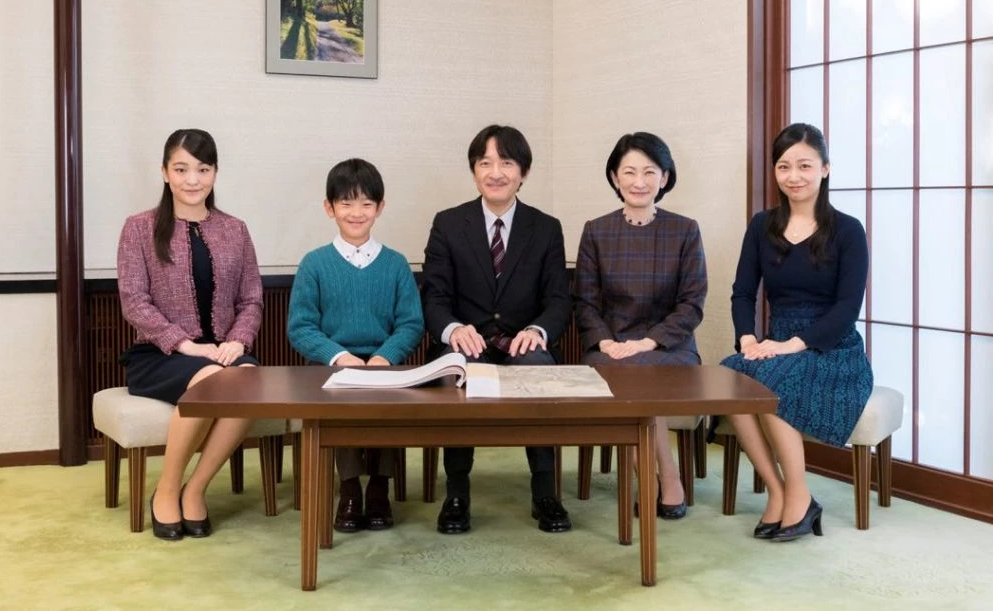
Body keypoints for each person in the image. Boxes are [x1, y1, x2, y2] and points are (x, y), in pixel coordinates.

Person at [721, 122, 873, 542]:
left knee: (771, 381)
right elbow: (742, 292)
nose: (794, 176)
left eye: (805, 165)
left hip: (832, 348)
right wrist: (747, 339)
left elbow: (847, 309)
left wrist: (792, 345)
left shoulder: (848, 230)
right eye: (784, 166)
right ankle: (778, 490)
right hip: (775, 343)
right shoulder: (761, 225)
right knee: (730, 376)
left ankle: (800, 496)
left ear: (825, 168)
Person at [421, 124, 573, 534]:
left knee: (539, 369)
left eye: (506, 163)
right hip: (468, 343)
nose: (495, 173)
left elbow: (558, 299)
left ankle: (545, 492)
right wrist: (453, 329)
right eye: (485, 163)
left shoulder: (546, 228)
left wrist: (538, 331)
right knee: (456, 369)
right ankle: (456, 494)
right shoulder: (448, 223)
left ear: (524, 172)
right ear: (474, 171)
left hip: (522, 342)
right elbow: (434, 297)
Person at [117, 128, 263, 541]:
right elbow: (134, 301)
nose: (192, 180)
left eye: (203, 169)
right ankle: (166, 489)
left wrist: (237, 341)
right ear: (165, 172)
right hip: (160, 354)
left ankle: (195, 488)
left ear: (215, 172)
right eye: (181, 169)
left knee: (249, 379)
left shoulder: (235, 229)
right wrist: (184, 344)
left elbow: (251, 299)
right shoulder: (139, 228)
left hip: (223, 351)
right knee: (212, 378)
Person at [573, 131, 707, 519]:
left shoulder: (684, 230)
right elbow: (585, 302)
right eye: (629, 172)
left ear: (665, 177)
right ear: (614, 177)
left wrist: (649, 342)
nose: (639, 181)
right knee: (623, 373)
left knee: (642, 375)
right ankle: (660, 478)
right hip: (611, 347)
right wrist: (605, 342)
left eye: (649, 172)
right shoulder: (597, 231)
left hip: (670, 348)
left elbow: (692, 304)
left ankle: (661, 478)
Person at [287, 158, 424, 533]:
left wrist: (385, 357)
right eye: (346, 203)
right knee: (339, 400)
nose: (356, 212)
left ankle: (379, 488)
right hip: (331, 365)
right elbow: (300, 327)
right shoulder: (314, 264)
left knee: (391, 399)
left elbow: (411, 323)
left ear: (380, 208)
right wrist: (339, 356)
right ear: (329, 208)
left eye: (366, 203)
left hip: (384, 362)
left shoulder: (396, 264)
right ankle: (349, 489)